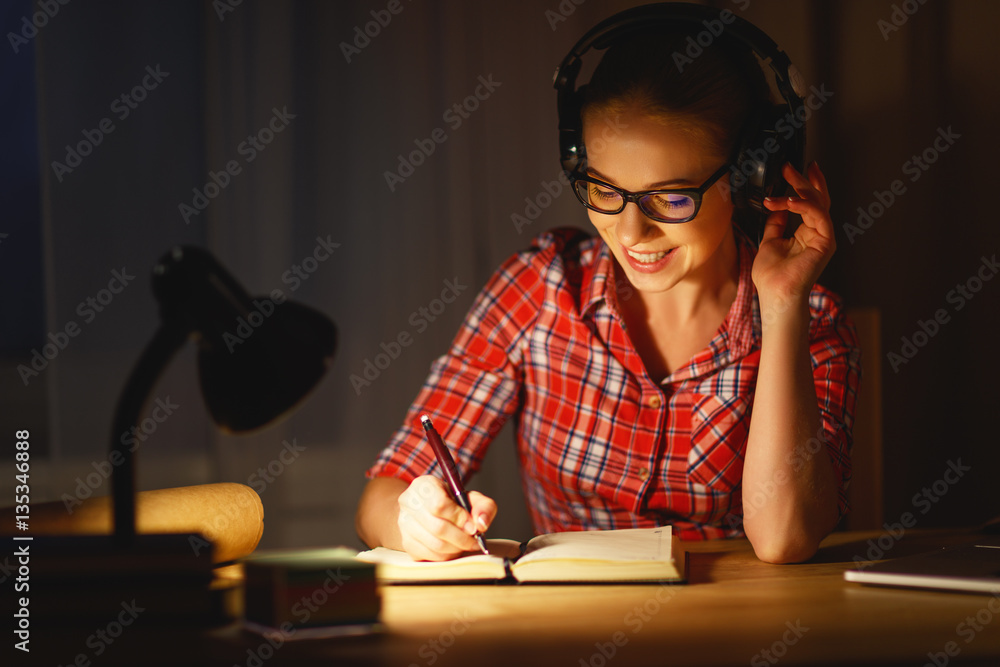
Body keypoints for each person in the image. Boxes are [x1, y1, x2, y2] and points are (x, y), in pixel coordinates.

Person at [355, 8, 860, 564]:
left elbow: (785, 538)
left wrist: (784, 304)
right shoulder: (541, 288)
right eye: (601, 187)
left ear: (749, 177)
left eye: (670, 198)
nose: (630, 233)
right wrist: (416, 519)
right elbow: (381, 496)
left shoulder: (816, 321)